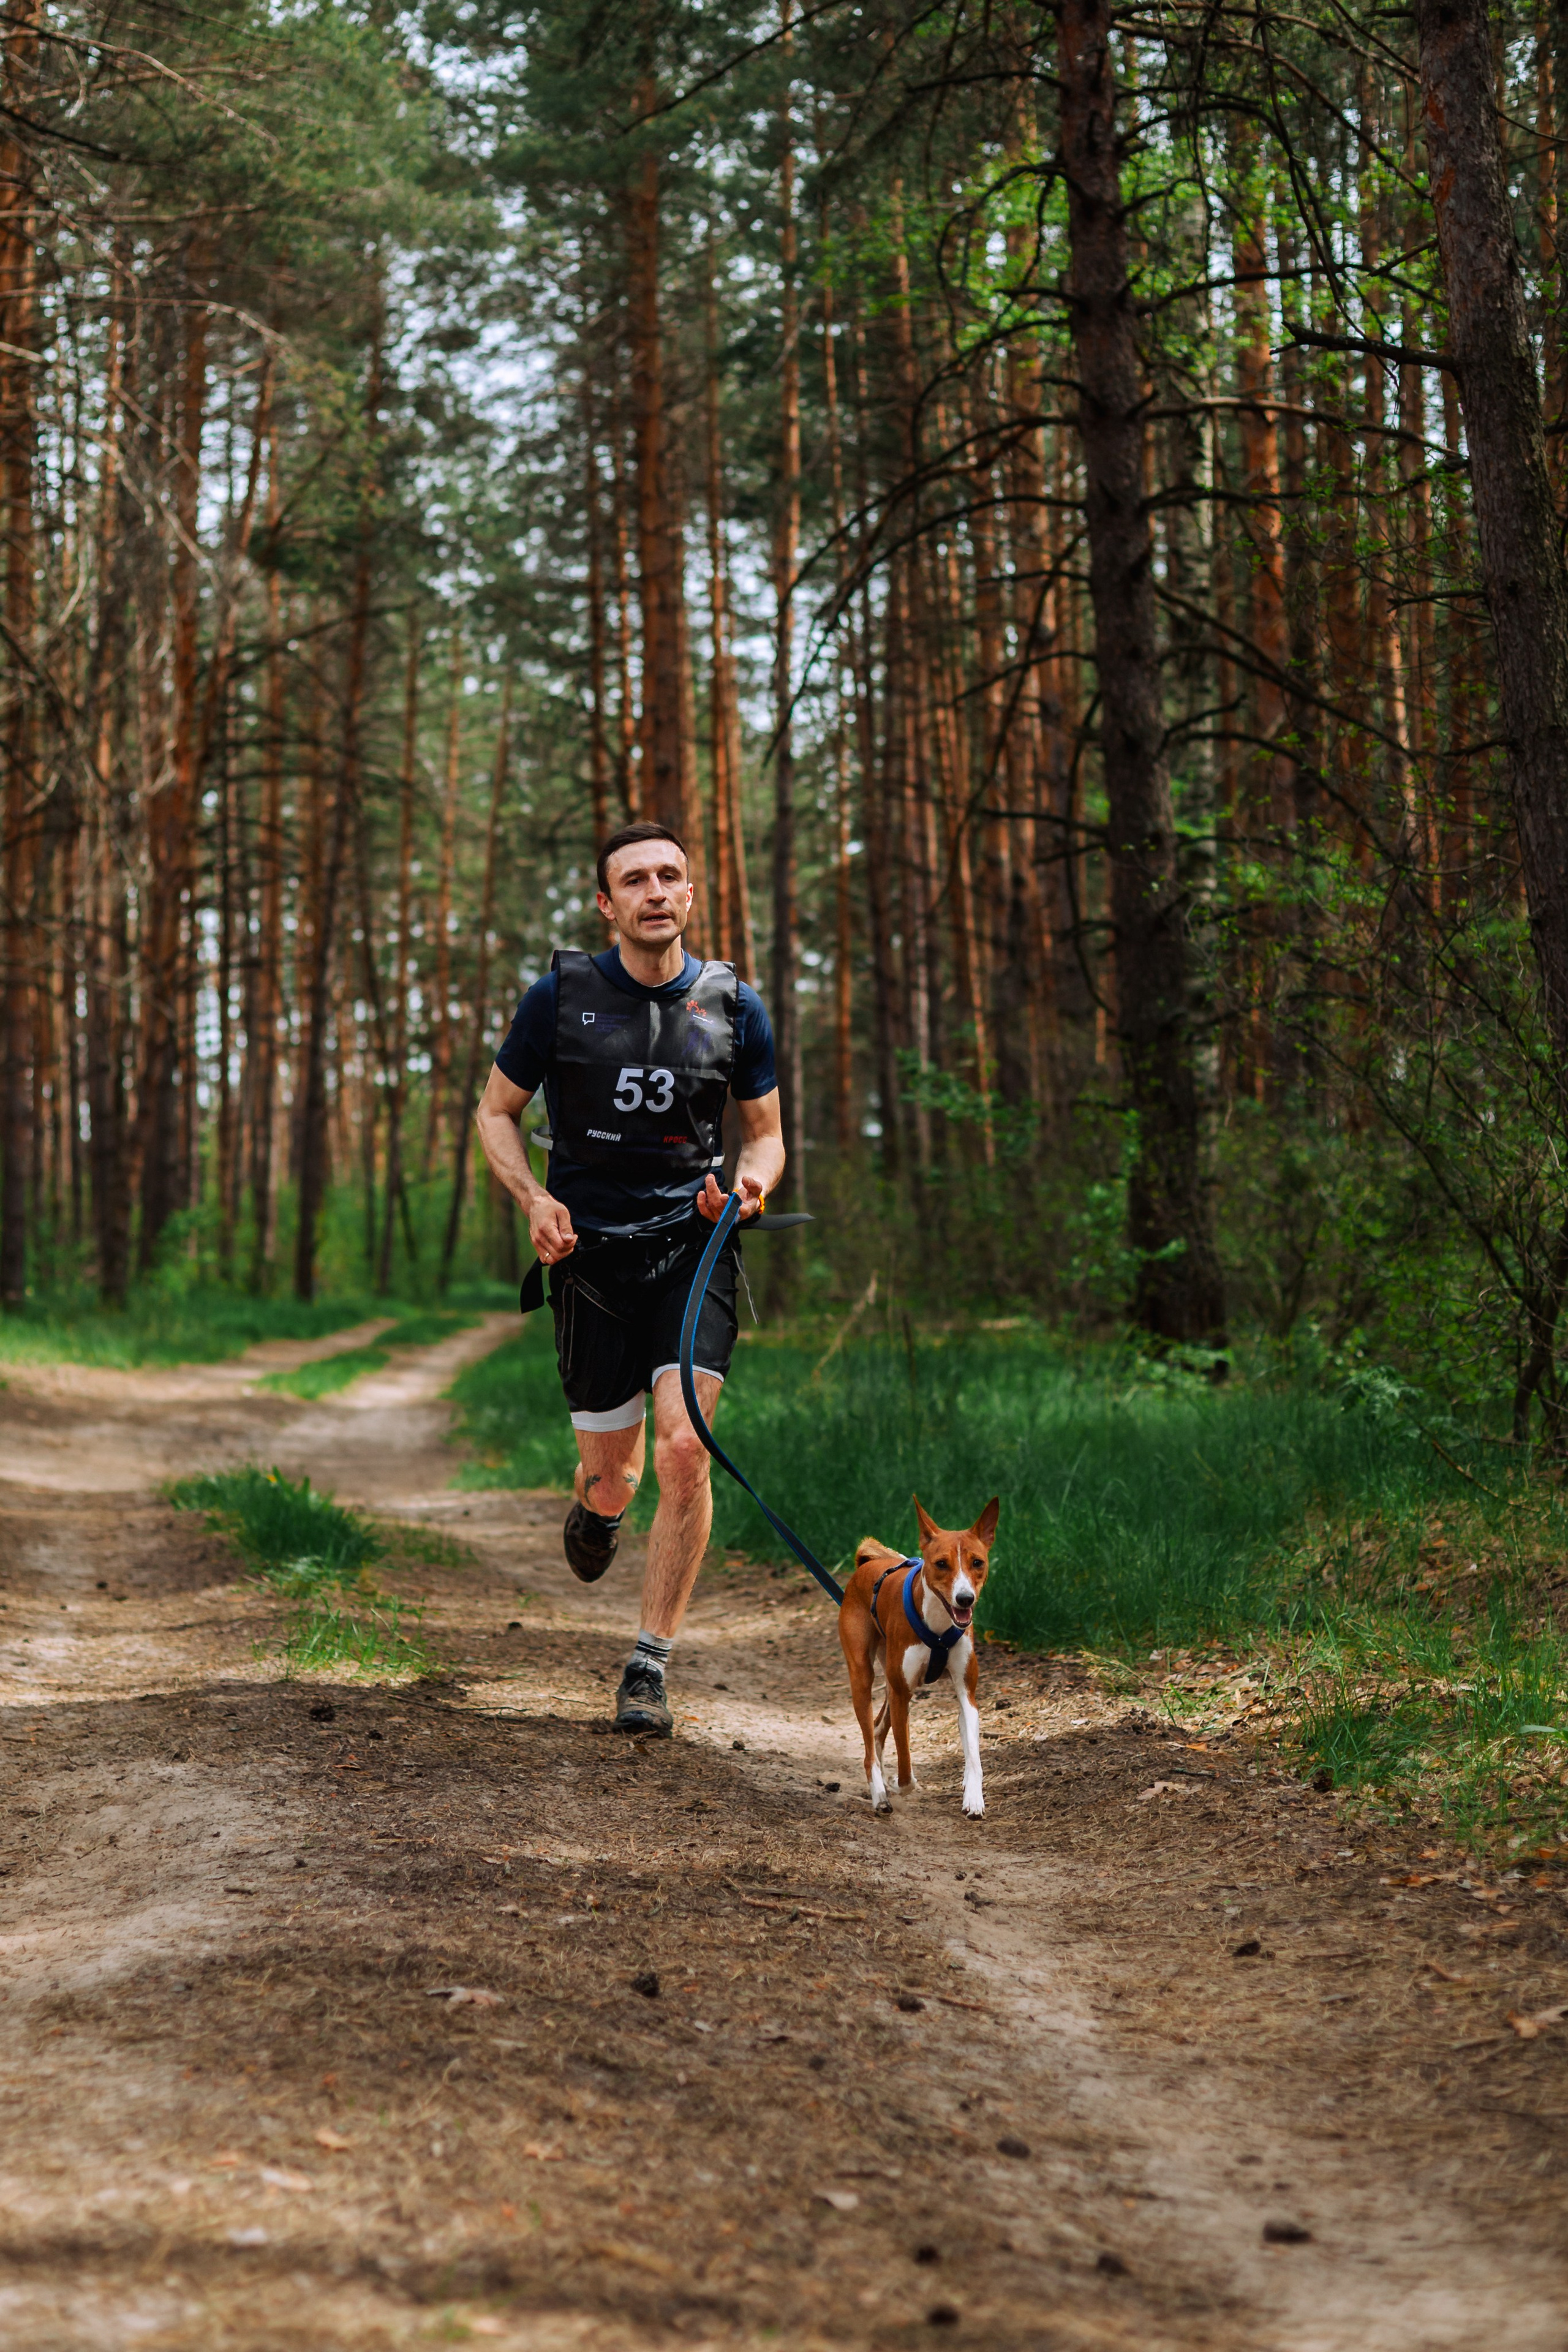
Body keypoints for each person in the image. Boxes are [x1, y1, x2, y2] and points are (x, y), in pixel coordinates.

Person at [474, 821, 785, 1736]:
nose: (657, 892)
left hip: (693, 1249)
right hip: (590, 1259)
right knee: (617, 1475)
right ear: (607, 905)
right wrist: (533, 1199)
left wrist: (751, 1187)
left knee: (687, 1449)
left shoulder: (734, 1006)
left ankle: (649, 1664)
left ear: (690, 895)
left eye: (672, 877)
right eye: (636, 880)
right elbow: (496, 1114)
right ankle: (596, 1507)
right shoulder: (560, 997)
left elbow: (763, 1133)